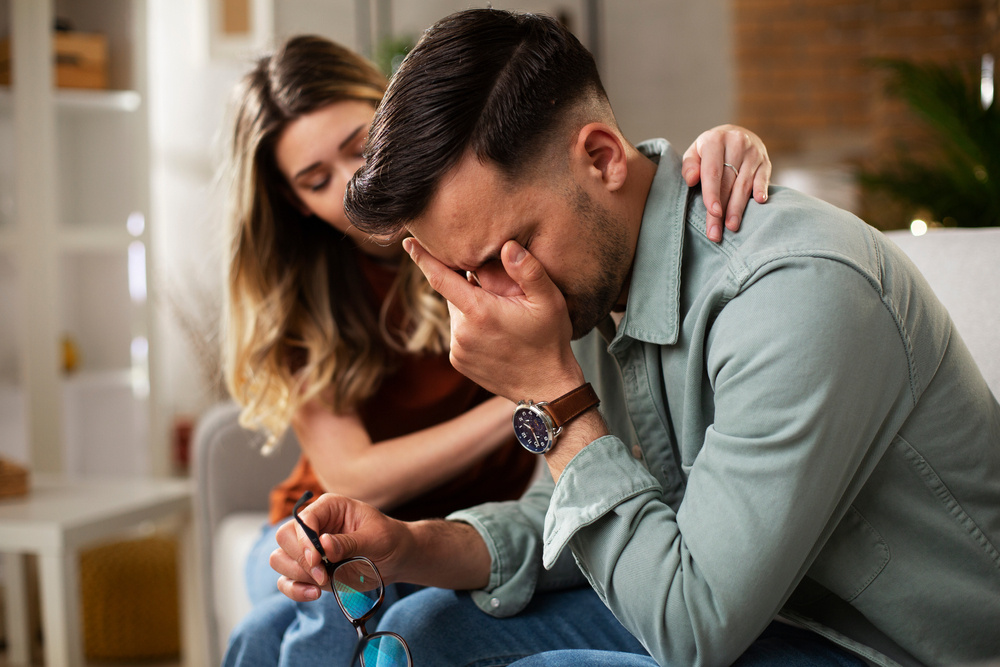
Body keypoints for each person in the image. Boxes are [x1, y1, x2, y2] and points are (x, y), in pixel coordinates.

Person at [272, 9, 1000, 667]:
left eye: (508, 252)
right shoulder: (589, 284)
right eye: (469, 272)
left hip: (879, 643)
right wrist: (410, 544)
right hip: (748, 615)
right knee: (423, 628)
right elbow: (568, 518)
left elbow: (692, 629)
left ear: (601, 158)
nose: (499, 299)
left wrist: (552, 397)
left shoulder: (793, 293)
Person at [220, 33, 774, 667]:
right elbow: (352, 475)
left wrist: (726, 147)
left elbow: (617, 192)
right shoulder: (308, 295)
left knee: (340, 620)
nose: (351, 185)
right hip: (363, 516)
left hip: (478, 515)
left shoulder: (510, 228)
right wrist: (541, 397)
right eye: (317, 180)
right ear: (293, 202)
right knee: (292, 617)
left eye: (360, 149)